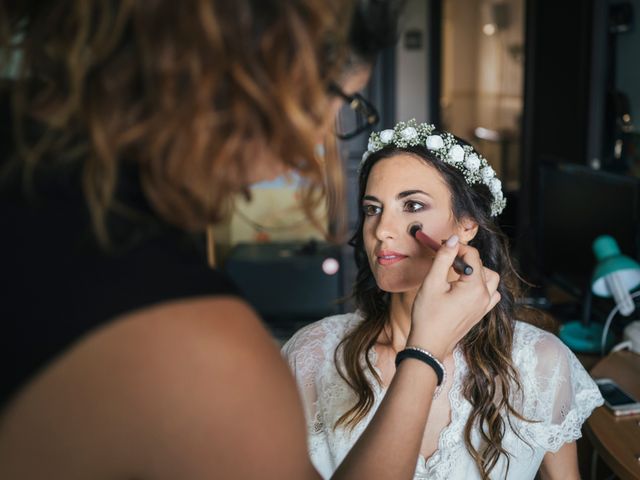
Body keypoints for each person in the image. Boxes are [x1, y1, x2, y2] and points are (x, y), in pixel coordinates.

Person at [0, 2, 503, 479]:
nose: (313, 143)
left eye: (412, 205)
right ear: (267, 74)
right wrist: (426, 354)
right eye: (337, 101)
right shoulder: (205, 352)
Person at [282, 119, 604, 480]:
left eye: (413, 206)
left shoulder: (539, 363)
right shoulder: (313, 355)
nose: (382, 230)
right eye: (373, 209)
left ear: (466, 225)